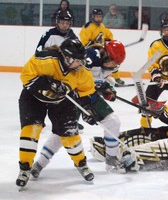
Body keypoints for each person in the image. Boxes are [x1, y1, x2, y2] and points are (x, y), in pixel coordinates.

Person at [30, 40, 138, 179]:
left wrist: (107, 89)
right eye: (112, 61)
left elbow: (96, 82)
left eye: (116, 63)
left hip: (88, 96)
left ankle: (111, 160)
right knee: (62, 132)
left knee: (113, 121)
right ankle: (40, 163)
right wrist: (99, 85)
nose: (113, 65)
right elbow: (78, 78)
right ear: (105, 54)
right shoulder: (91, 55)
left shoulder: (109, 65)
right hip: (71, 97)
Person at [16, 38, 95, 187]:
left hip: (62, 101)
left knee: (70, 133)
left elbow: (86, 93)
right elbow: (26, 77)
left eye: (81, 60)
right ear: (67, 57)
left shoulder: (81, 72)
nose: (81, 64)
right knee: (31, 130)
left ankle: (81, 163)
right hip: (33, 98)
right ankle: (25, 168)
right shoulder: (45, 60)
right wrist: (49, 83)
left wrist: (88, 110)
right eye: (78, 61)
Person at [80, 8, 126, 86]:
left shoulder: (102, 26)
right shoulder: (87, 27)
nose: (99, 18)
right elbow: (85, 43)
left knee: (113, 60)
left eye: (100, 17)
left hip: (101, 50)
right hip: (91, 51)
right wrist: (95, 43)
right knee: (95, 67)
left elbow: (109, 35)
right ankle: (94, 79)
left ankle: (116, 78)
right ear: (93, 17)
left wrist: (108, 42)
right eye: (97, 17)